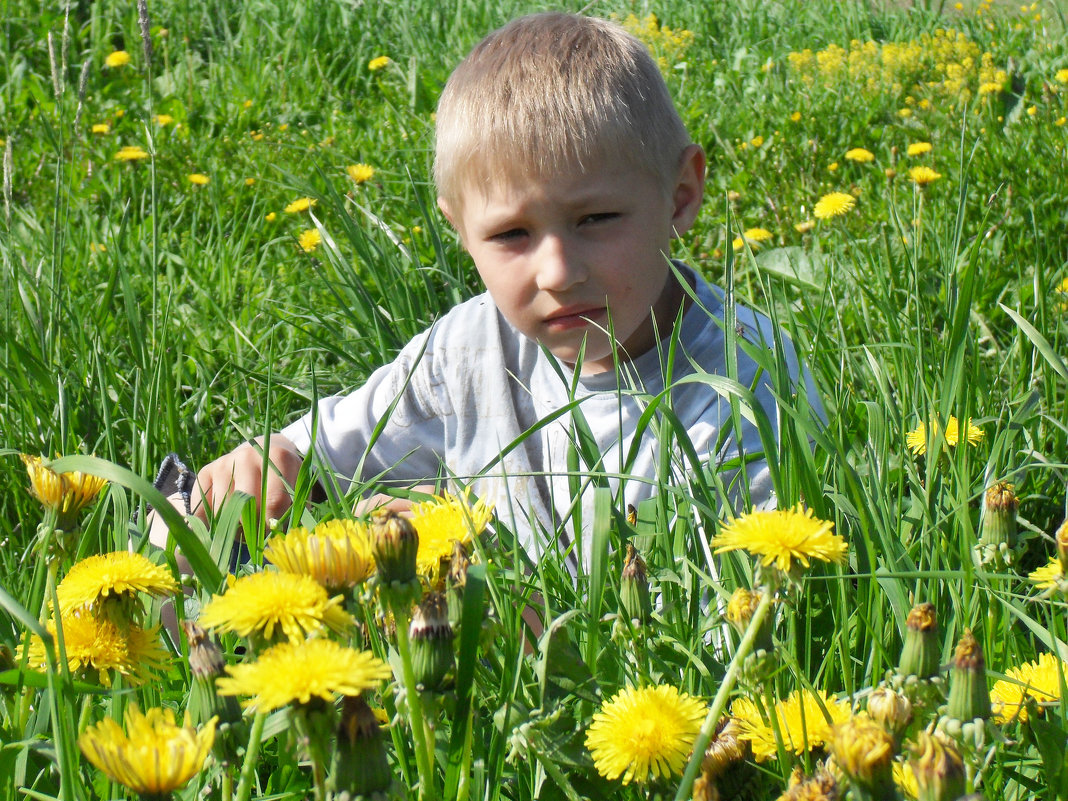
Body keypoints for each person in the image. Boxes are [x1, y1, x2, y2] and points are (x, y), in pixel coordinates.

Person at [152, 12, 814, 571]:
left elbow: (740, 639)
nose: (557, 271)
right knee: (177, 532)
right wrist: (270, 459)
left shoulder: (747, 386)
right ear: (461, 232)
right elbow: (317, 453)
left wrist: (479, 574)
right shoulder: (469, 350)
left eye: (596, 220)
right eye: (511, 234)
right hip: (470, 677)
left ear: (681, 196)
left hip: (655, 707)